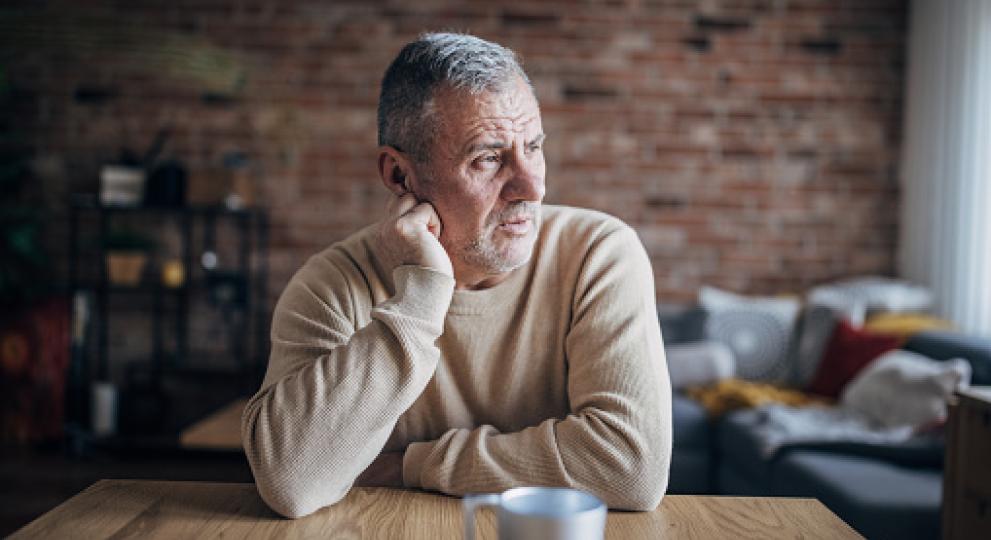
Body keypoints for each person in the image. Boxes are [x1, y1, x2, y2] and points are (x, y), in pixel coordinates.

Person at [241, 32, 672, 519]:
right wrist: (421, 295)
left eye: (533, 147)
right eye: (488, 158)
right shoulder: (333, 285)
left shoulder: (598, 253)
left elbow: (630, 468)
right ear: (400, 176)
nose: (531, 185)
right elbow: (292, 482)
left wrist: (410, 464)